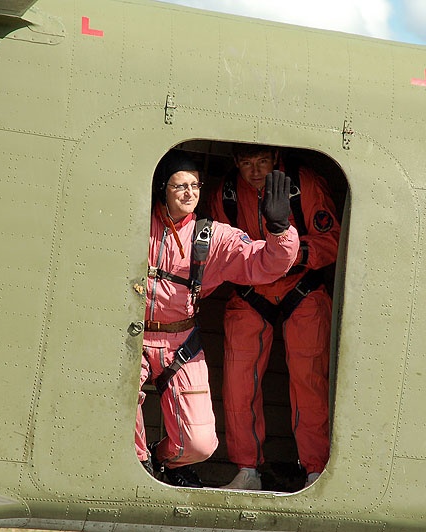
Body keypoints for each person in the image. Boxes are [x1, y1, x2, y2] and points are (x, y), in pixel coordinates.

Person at [136, 151, 299, 488]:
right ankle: (140, 465)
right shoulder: (136, 223)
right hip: (132, 336)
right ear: (162, 189)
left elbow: (264, 264)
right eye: (180, 186)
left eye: (195, 185)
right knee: (116, 413)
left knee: (199, 445)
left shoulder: (211, 236)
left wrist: (280, 231)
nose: (189, 193)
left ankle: (162, 459)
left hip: (180, 343)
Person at [210, 144, 340, 490]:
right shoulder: (226, 193)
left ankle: (315, 469)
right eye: (246, 163)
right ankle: (247, 470)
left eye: (262, 162)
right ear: (235, 162)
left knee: (309, 381)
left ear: (276, 159)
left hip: (302, 285)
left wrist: (289, 252)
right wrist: (256, 262)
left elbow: (332, 239)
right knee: (237, 383)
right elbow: (216, 247)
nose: (255, 171)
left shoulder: (302, 184)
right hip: (250, 290)